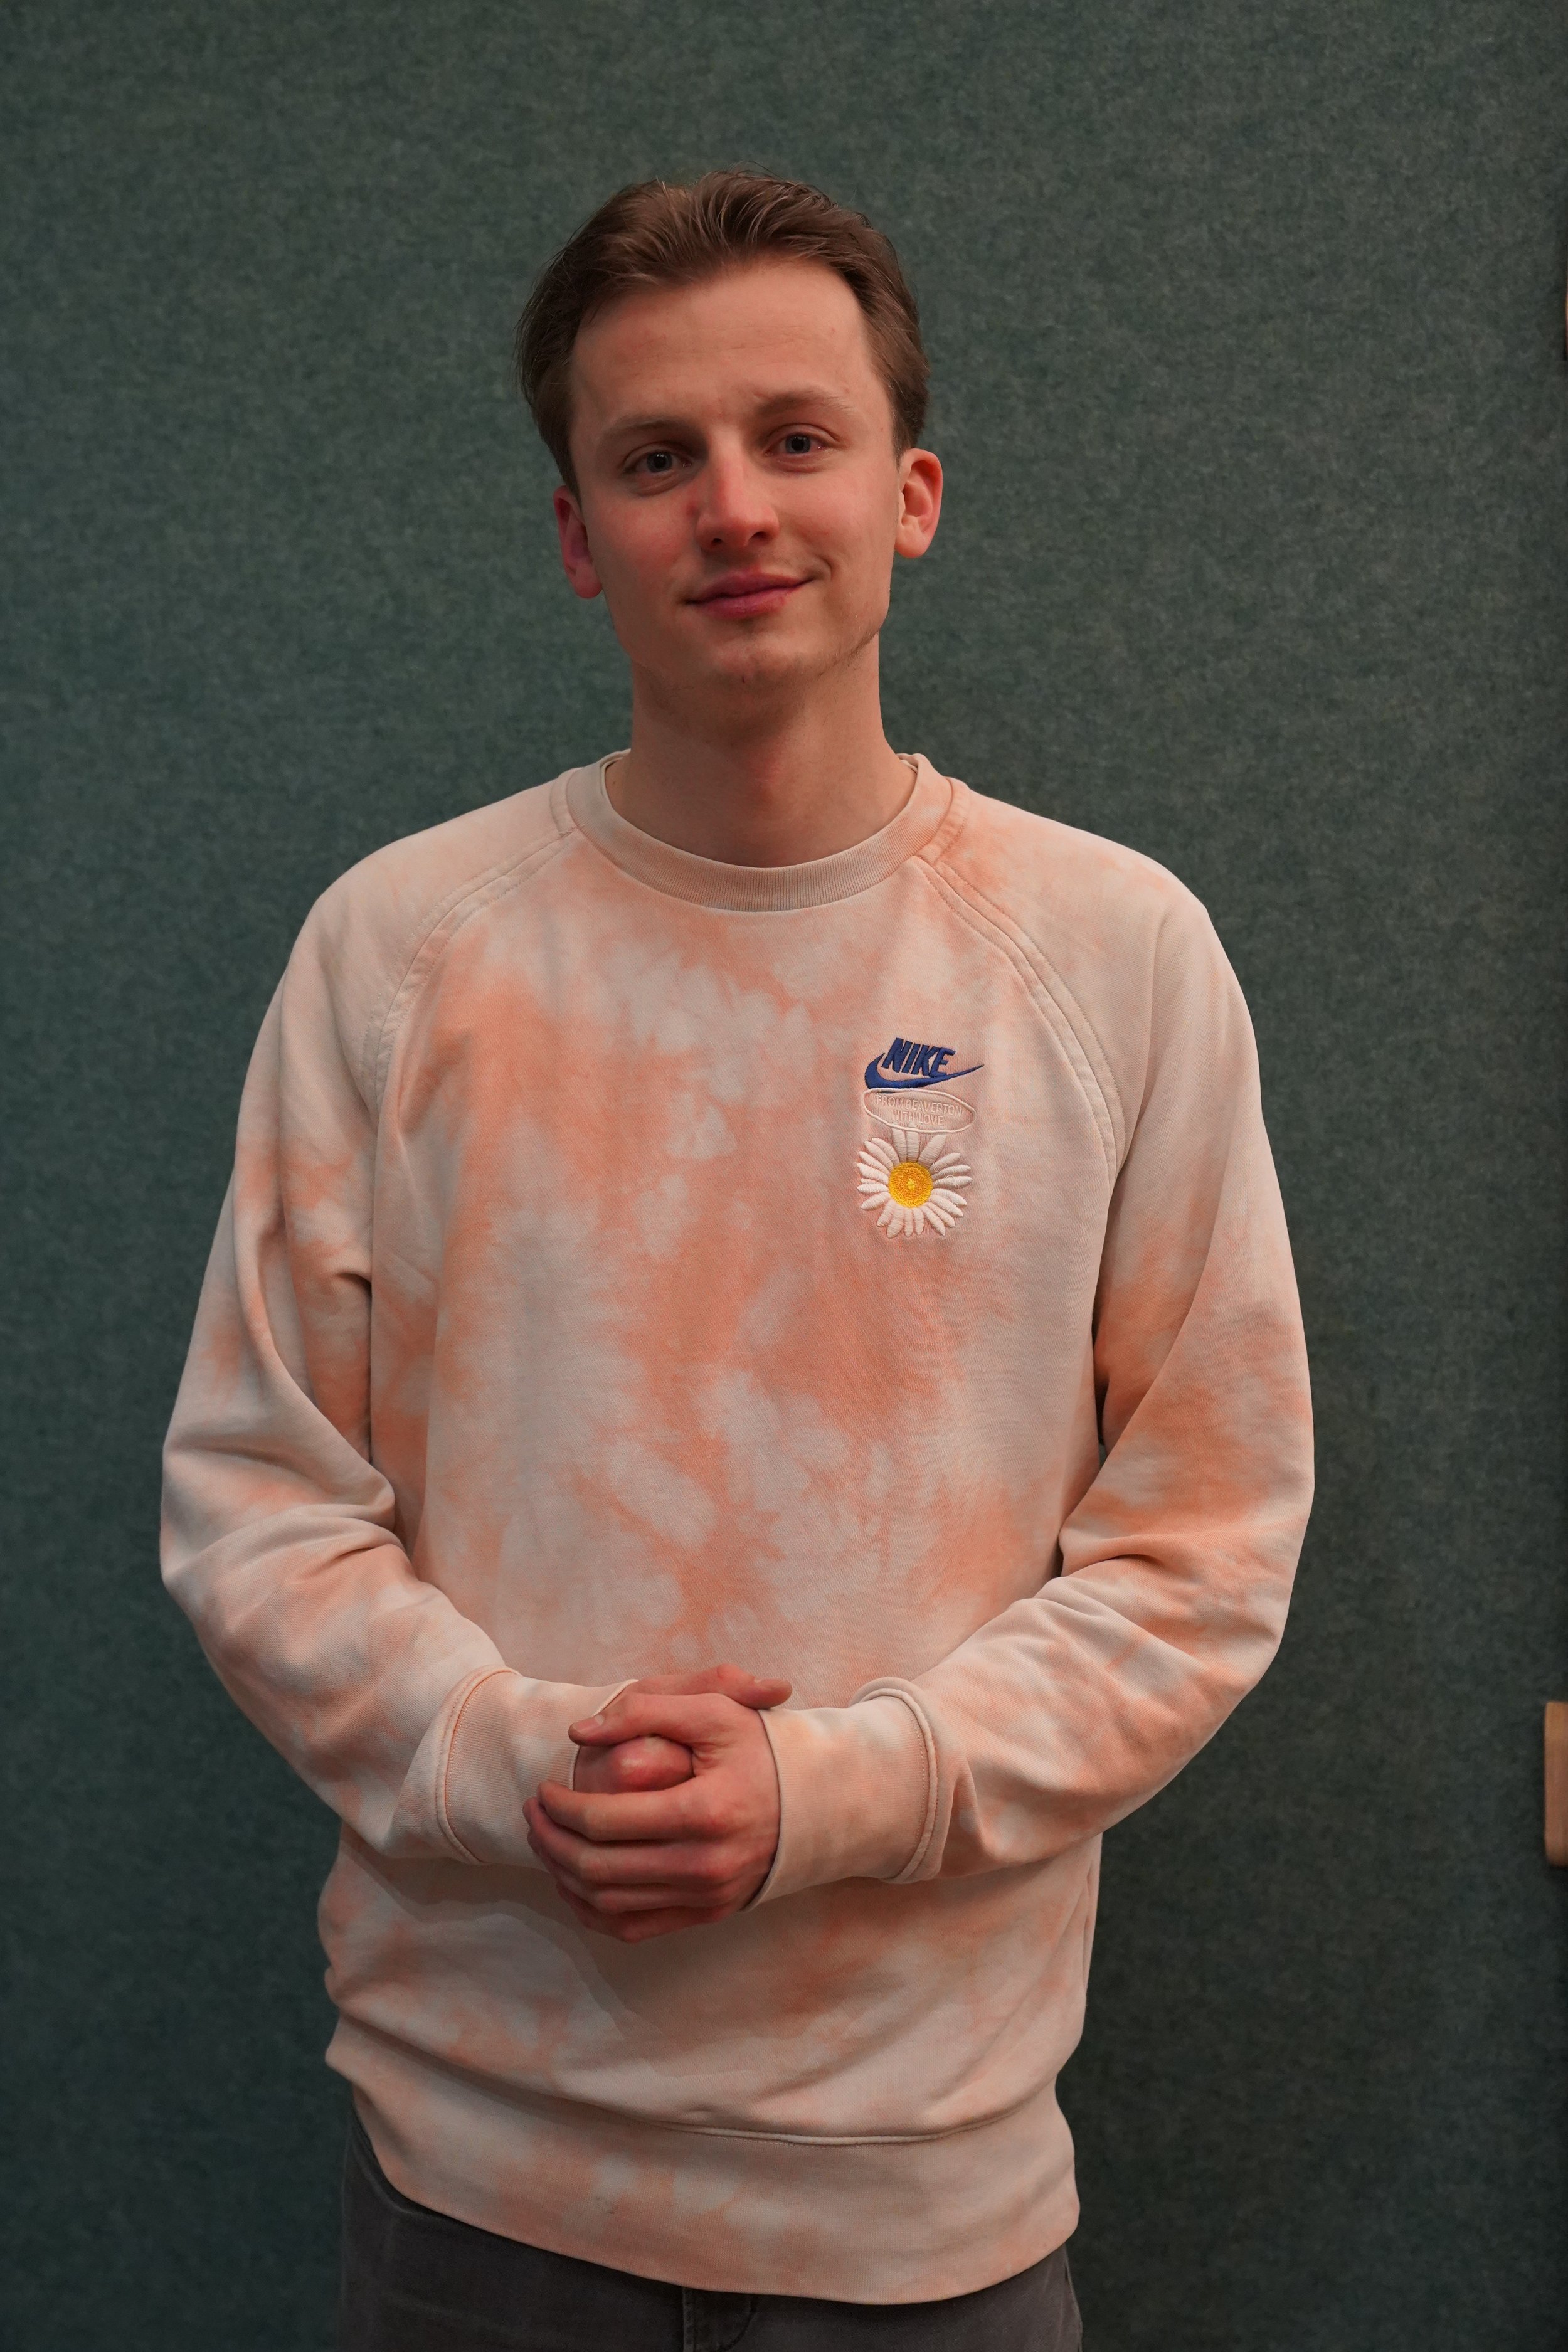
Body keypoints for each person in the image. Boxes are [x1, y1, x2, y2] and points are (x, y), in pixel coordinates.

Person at [161, 169, 1313, 2351]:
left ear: (912, 491)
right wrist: (519, 1756)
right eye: (653, 457)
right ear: (580, 535)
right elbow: (259, 1513)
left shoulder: (1114, 957)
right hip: (477, 2194)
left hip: (927, 2214)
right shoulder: (399, 956)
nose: (734, 507)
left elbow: (1199, 1554)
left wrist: (825, 1792)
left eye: (793, 439)